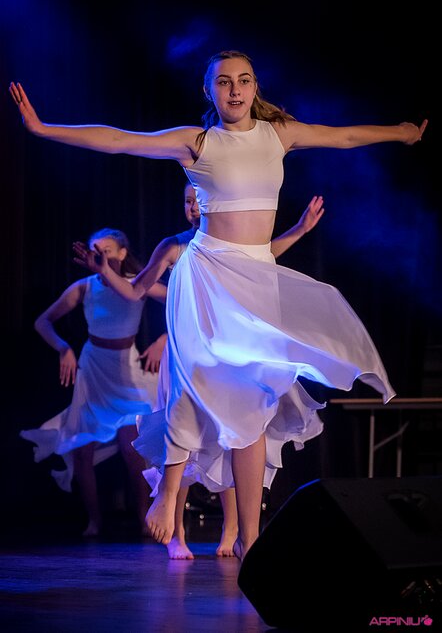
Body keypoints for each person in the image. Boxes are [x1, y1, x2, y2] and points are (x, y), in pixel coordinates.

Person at [10, 50, 427, 562]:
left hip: (258, 278)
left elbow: (342, 136)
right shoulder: (198, 142)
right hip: (206, 274)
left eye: (244, 80)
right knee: (195, 380)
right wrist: (43, 128)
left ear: (255, 88)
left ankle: (250, 536)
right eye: (224, 82)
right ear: (208, 90)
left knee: (253, 407)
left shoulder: (279, 135)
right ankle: (168, 492)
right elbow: (119, 140)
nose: (235, 89)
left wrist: (400, 132)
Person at [124, 182, 325, 559]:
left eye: (199, 201)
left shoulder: (234, 244)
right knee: (181, 431)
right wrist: (107, 272)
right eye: (187, 201)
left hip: (227, 355)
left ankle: (237, 530)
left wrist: (299, 230)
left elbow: (265, 253)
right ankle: (177, 532)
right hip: (188, 356)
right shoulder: (175, 246)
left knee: (238, 431)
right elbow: (139, 289)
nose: (193, 207)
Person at [20, 227, 167, 537]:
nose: (99, 255)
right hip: (94, 369)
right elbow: (42, 321)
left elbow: (185, 304)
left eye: (106, 250)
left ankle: (144, 517)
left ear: (122, 254)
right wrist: (64, 348)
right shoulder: (84, 287)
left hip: (127, 370)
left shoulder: (138, 284)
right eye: (94, 250)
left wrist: (163, 340)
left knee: (132, 446)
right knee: (82, 449)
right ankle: (94, 521)